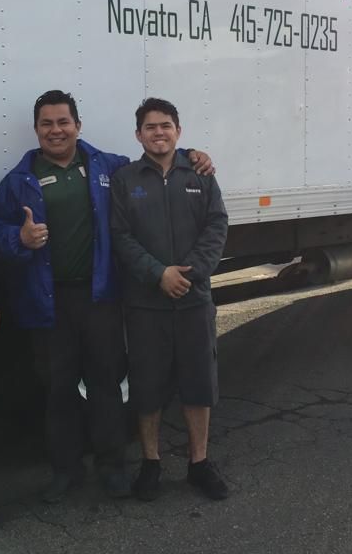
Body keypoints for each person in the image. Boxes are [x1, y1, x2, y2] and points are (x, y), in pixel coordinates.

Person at [0, 90, 212, 504]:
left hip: (100, 296)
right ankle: (64, 470)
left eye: (63, 122)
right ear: (36, 130)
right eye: (47, 124)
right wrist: (18, 238)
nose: (56, 130)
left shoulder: (108, 167)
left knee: (105, 385)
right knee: (57, 389)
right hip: (48, 300)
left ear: (78, 125)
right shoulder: (19, 181)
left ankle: (112, 467)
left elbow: (157, 160)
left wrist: (194, 154)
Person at [109, 97, 230, 502]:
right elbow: (120, 236)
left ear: (178, 130)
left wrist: (190, 273)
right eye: (149, 127)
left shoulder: (200, 174)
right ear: (138, 134)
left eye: (165, 125)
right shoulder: (126, 179)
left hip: (194, 300)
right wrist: (158, 273)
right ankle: (151, 463)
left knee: (199, 384)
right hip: (146, 304)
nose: (158, 132)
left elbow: (217, 225)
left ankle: (199, 463)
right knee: (147, 386)